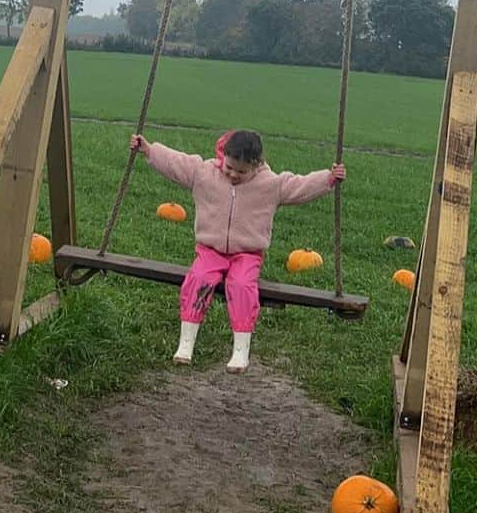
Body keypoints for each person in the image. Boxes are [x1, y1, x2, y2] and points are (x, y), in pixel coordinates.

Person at [130, 128, 346, 373]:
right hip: (210, 249)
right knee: (198, 279)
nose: (233, 174)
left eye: (242, 172)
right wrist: (149, 149)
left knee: (242, 285)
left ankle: (240, 350)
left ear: (257, 165)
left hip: (247, 254)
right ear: (223, 156)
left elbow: (300, 185)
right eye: (229, 167)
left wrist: (328, 179)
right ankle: (186, 343)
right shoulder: (204, 173)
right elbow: (175, 162)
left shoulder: (270, 184)